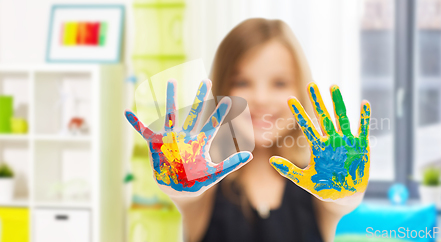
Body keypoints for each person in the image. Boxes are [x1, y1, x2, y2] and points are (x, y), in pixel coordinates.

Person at [125, 18, 371, 242]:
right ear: (222, 89)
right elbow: (187, 196)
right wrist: (178, 183)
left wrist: (347, 192)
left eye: (279, 83)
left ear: (300, 88)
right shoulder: (205, 185)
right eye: (242, 82)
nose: (261, 98)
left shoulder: (321, 184)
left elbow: (340, 203)